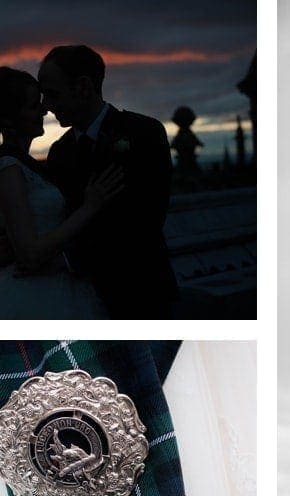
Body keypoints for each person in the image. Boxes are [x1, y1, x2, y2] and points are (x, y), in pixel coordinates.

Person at [0, 66, 123, 319]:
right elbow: (31, 254)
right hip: (39, 296)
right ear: (9, 118)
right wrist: (89, 207)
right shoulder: (9, 169)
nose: (44, 109)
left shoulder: (29, 164)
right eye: (33, 105)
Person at [37, 45, 179, 319]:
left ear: (84, 87)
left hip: (144, 292)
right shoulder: (59, 153)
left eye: (53, 94)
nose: (46, 106)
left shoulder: (144, 133)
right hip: (81, 297)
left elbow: (149, 216)